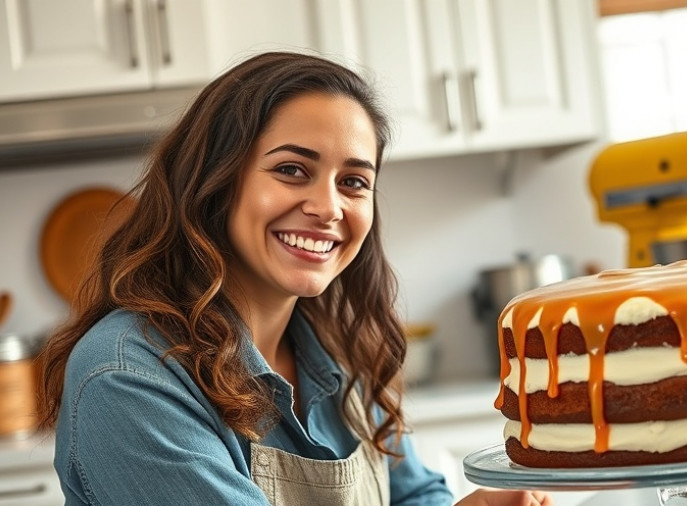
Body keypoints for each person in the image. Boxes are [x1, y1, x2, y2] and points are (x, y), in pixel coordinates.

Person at [33, 51, 552, 506]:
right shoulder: (129, 374)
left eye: (353, 182)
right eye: (291, 170)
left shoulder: (342, 352)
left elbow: (412, 495)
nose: (328, 208)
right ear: (214, 180)